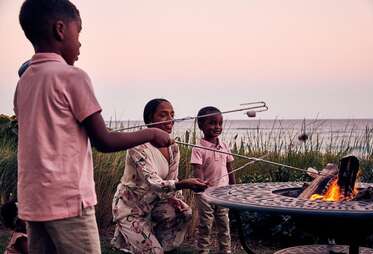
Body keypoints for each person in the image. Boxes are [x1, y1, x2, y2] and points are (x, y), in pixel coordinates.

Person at [15, 1, 172, 253]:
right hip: (69, 203)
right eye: (79, 33)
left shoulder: (24, 83)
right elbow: (104, 141)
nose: (80, 43)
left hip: (33, 203)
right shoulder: (72, 76)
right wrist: (152, 133)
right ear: (60, 30)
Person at [111, 98, 208, 254]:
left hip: (154, 204)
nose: (170, 120)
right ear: (150, 120)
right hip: (130, 208)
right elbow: (154, 182)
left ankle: (154, 244)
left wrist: (181, 196)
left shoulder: (173, 147)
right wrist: (184, 184)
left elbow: (173, 181)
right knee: (154, 251)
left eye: (172, 114)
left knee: (184, 212)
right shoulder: (137, 146)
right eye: (163, 115)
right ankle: (132, 236)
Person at [190, 106, 236, 254]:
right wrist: (203, 188)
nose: (217, 127)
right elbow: (198, 171)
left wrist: (233, 187)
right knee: (205, 225)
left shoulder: (224, 146)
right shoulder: (198, 148)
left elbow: (230, 168)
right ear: (201, 126)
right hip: (204, 195)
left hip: (223, 192)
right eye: (212, 123)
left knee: (224, 224)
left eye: (220, 123)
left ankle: (225, 250)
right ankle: (203, 250)